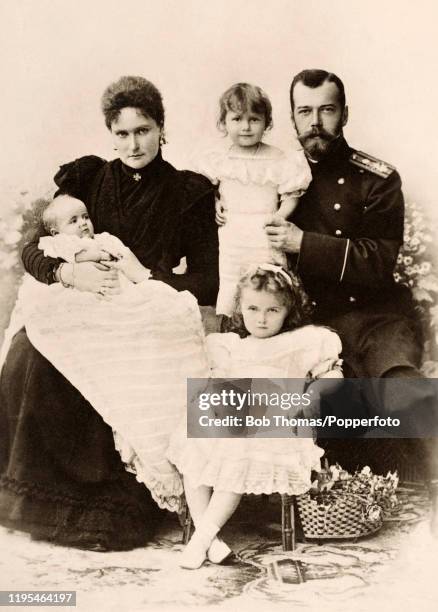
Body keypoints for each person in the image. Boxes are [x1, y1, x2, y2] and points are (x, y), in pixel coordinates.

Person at [0, 75, 218, 551]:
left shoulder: (189, 192)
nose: (133, 143)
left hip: (141, 305)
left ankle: (104, 503)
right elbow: (34, 252)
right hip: (77, 297)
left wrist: (147, 280)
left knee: (126, 359)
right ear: (109, 135)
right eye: (122, 133)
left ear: (162, 128)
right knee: (27, 351)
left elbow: (208, 279)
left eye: (143, 130)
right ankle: (33, 499)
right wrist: (67, 275)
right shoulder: (85, 179)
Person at [262, 69, 438, 531]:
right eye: (305, 111)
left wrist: (306, 244)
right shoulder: (272, 176)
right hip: (311, 320)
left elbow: (379, 259)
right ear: (292, 118)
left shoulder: (376, 178)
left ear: (344, 114)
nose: (315, 122)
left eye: (326, 109)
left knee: (400, 383)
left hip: (376, 312)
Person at [11, 194, 210, 513]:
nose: (83, 224)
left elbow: (135, 271)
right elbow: (38, 258)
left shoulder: (112, 237)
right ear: (55, 231)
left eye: (85, 217)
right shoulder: (59, 246)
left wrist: (133, 272)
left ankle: (185, 443)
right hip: (85, 304)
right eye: (72, 221)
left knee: (171, 316)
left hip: (121, 298)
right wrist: (74, 271)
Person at [167, 264, 343, 569]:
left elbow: (334, 375)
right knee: (193, 436)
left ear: (288, 310)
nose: (261, 319)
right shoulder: (230, 345)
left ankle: (201, 539)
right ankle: (210, 542)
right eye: (253, 308)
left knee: (241, 448)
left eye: (272, 310)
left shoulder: (302, 342)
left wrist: (311, 395)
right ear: (240, 307)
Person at [195, 83, 311, 317]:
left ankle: (268, 326)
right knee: (230, 279)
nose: (245, 127)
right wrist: (215, 201)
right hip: (232, 233)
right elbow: (210, 189)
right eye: (237, 119)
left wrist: (278, 217)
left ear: (266, 122)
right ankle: (230, 328)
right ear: (224, 122)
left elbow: (291, 195)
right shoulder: (219, 157)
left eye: (254, 119)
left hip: (263, 232)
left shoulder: (278, 158)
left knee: (266, 282)